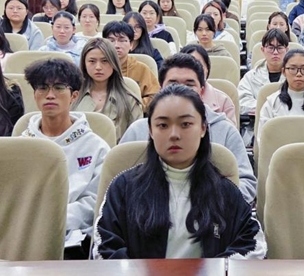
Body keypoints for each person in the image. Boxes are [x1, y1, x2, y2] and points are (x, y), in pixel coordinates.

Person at [93, 85, 266, 259]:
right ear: (150, 131)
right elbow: (104, 248)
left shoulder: (225, 192)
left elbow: (253, 243)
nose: (174, 134)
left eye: (185, 124)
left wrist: (216, 268)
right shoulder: (124, 188)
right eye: (163, 125)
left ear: (203, 128)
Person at [120, 54, 256, 203]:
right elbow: (118, 183)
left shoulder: (225, 130)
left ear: (202, 91)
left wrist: (208, 201)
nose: (181, 90)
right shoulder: (137, 130)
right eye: (173, 83)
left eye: (189, 84)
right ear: (160, 89)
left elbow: (247, 183)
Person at [21, 58, 109, 245]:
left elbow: (95, 201)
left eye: (59, 88)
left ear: (74, 96)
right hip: (24, 233)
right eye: (42, 88)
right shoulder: (20, 145)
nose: (50, 95)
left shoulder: (96, 147)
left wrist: (53, 220)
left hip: (76, 236)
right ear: (35, 94)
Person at [73, 38, 144, 139]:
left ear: (113, 63)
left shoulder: (129, 99)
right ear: (84, 64)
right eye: (92, 61)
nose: (98, 67)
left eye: (105, 61)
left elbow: (137, 138)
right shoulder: (72, 96)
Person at [258, 49, 304, 130]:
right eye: (293, 69)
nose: (299, 74)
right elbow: (263, 136)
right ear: (283, 71)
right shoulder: (271, 103)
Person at [102, 21, 161, 111]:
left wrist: (133, 107)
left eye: (122, 40)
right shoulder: (97, 68)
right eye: (111, 41)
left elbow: (155, 97)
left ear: (131, 44)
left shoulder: (142, 69)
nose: (116, 45)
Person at [180, 45, 237, 124]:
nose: (193, 70)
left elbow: (230, 131)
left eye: (198, 65)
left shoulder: (224, 101)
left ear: (207, 69)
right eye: (188, 66)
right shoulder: (166, 99)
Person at [239, 29, 287, 117]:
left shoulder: (297, 76)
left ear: (287, 49)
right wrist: (269, 109)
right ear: (262, 49)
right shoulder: (251, 76)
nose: (275, 52)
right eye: (271, 48)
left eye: (280, 48)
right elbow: (242, 102)